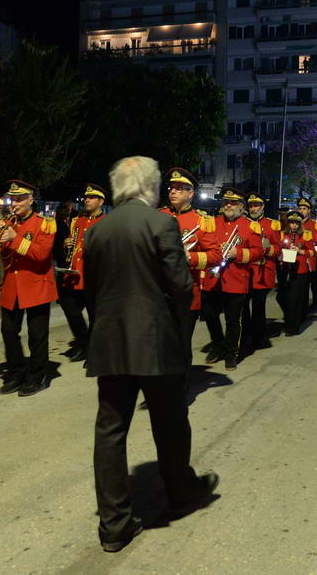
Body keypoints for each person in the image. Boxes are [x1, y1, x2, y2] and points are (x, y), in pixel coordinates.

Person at [83, 156, 218, 553]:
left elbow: (91, 293)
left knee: (110, 432)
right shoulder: (162, 223)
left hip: (110, 340)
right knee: (171, 422)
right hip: (156, 341)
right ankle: (180, 490)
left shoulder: (97, 229)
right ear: (149, 188)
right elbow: (180, 287)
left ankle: (113, 525)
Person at [0, 180, 58, 397]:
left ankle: (38, 375)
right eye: (12, 199)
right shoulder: (8, 223)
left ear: (31, 200)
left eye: (19, 199)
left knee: (37, 335)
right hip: (12, 285)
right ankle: (17, 370)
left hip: (36, 284)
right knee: (8, 331)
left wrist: (15, 237)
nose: (14, 203)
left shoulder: (45, 223)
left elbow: (41, 255)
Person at [200, 188, 264, 370]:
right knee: (209, 314)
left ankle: (230, 353)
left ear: (241, 206)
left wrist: (239, 253)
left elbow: (259, 252)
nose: (228, 205)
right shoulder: (212, 223)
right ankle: (218, 344)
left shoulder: (251, 226)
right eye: (226, 202)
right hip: (213, 277)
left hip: (236, 279)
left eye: (233, 202)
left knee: (233, 320)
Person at [160, 168, 221, 352]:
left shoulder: (201, 221)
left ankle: (181, 380)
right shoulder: (158, 216)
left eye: (179, 188)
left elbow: (216, 256)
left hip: (186, 293)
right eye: (171, 187)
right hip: (159, 292)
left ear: (190, 193)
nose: (173, 191)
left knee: (181, 345)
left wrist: (190, 257)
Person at [58, 184, 107, 363]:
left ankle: (93, 350)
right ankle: (84, 342)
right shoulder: (76, 220)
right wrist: (67, 244)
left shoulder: (106, 222)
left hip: (94, 276)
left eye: (92, 197)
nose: (87, 200)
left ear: (101, 201)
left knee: (95, 316)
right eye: (86, 197)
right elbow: (72, 247)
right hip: (75, 274)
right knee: (68, 306)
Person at [243, 191, 279, 349]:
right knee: (243, 306)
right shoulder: (243, 223)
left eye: (256, 205)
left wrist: (268, 248)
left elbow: (278, 250)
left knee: (258, 305)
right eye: (251, 205)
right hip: (245, 271)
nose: (253, 208)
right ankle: (245, 334)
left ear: (263, 206)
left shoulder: (272, 224)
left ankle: (259, 336)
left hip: (263, 271)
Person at [278, 211, 315, 335]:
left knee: (295, 300)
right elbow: (278, 249)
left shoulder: (306, 234)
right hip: (285, 269)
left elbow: (312, 252)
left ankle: (293, 326)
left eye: (296, 223)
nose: (294, 225)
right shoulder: (283, 234)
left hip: (300, 270)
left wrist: (300, 251)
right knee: (282, 297)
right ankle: (288, 319)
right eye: (291, 223)